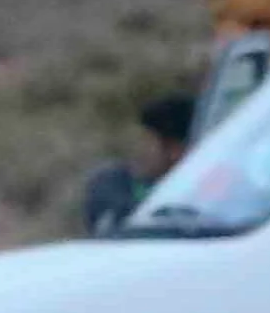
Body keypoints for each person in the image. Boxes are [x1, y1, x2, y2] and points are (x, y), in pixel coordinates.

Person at [82, 92, 195, 236]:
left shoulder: (205, 191)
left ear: (175, 150)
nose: (138, 148)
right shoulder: (114, 183)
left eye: (147, 141)